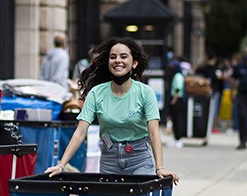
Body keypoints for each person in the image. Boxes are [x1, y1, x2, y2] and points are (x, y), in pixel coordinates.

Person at [45, 38, 179, 183]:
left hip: (139, 158)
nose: (117, 60)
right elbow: (80, 132)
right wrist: (61, 165)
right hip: (109, 158)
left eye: (123, 56)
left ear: (134, 63)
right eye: (113, 57)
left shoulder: (145, 92)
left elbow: (153, 133)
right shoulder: (96, 93)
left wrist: (160, 168)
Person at [168, 60, 186, 148]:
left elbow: (178, 89)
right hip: (177, 99)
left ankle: (178, 139)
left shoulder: (178, 76)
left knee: (177, 119)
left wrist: (174, 100)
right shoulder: (177, 75)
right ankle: (176, 138)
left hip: (177, 99)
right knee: (175, 119)